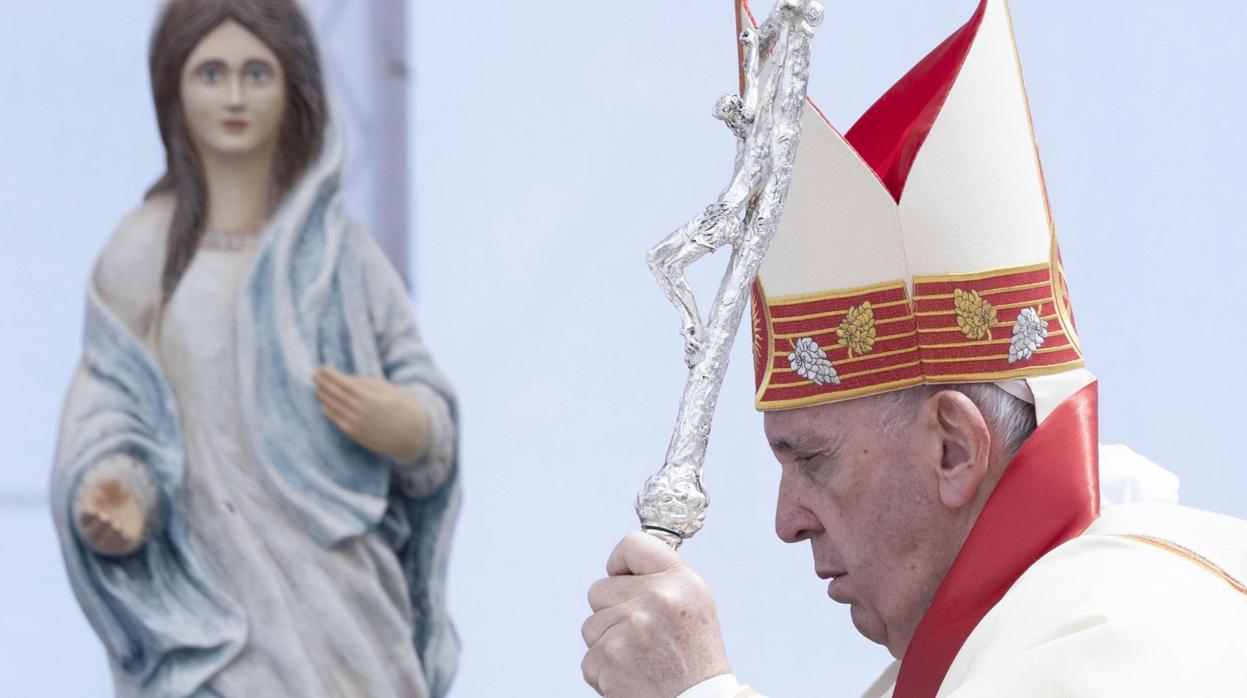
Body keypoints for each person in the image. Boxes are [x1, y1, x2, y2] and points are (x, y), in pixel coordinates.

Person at [581, 1, 1247, 696]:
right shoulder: (1006, 639)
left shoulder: (1126, 629)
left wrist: (694, 691)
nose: (786, 522)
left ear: (952, 448)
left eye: (812, 458)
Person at [49, 2, 459, 696]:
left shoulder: (343, 259)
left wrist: (410, 426)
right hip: (209, 605)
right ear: (173, 85)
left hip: (340, 601)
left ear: (293, 89)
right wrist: (118, 489)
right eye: (211, 73)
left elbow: (424, 410)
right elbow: (111, 407)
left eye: (255, 74)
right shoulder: (141, 253)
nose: (234, 97)